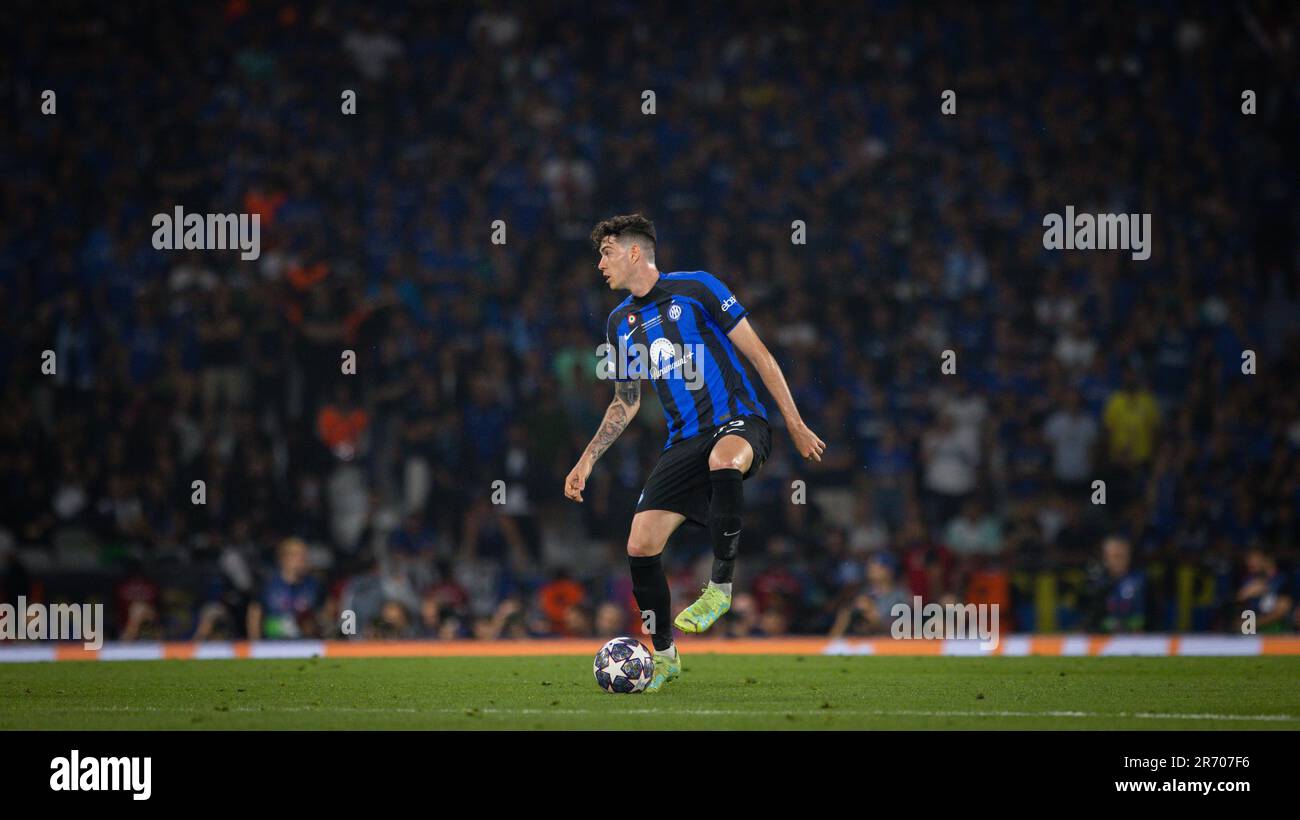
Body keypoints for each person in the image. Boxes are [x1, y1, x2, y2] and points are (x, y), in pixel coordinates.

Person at [564, 214, 825, 692]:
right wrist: (587, 459)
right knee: (640, 545)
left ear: (634, 252)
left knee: (724, 460)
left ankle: (720, 589)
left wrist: (794, 421)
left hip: (740, 421)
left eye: (606, 252)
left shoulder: (698, 288)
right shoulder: (619, 322)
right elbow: (626, 400)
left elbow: (760, 355)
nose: (599, 263)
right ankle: (663, 656)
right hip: (682, 440)